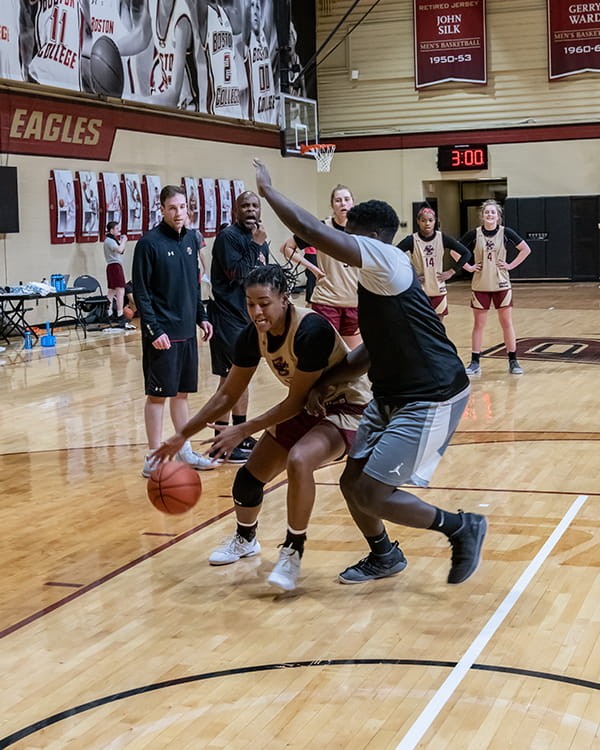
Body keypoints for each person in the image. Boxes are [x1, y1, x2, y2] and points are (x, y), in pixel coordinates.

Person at [253, 158, 487, 587]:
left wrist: (269, 193)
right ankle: (384, 555)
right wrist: (327, 382)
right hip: (392, 393)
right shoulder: (375, 279)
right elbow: (372, 351)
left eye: (349, 237)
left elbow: (314, 231)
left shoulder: (385, 260)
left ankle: (460, 527)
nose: (343, 244)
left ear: (370, 236)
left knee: (375, 492)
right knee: (354, 482)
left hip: (432, 394)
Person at [152, 264, 371, 592]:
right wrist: (182, 434)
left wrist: (243, 429)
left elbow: (295, 402)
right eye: (250, 303)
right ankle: (245, 539)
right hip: (307, 403)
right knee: (247, 480)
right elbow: (228, 393)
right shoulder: (251, 334)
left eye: (264, 303)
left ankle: (292, 551)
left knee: (299, 460)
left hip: (347, 405)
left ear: (284, 298)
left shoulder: (311, 330)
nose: (256, 311)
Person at [132, 185, 218, 478]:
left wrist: (202, 317)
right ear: (162, 210)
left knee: (181, 395)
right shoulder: (148, 244)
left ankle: (184, 449)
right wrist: (153, 330)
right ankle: (154, 456)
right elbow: (141, 293)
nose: (179, 213)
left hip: (186, 332)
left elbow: (193, 286)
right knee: (158, 396)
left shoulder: (192, 240)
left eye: (183, 207)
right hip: (162, 334)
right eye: (173, 208)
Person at [207, 190, 269, 463]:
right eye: (245, 206)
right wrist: (256, 247)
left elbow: (261, 275)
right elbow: (238, 274)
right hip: (226, 315)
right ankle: (222, 441)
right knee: (232, 379)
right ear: (235, 210)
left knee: (239, 378)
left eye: (255, 205)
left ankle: (237, 434)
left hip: (247, 318)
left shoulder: (259, 237)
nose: (251, 210)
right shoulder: (227, 238)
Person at [281, 185, 361, 349]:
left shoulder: (362, 230)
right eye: (338, 200)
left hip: (355, 303)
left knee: (352, 359)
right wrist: (313, 269)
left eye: (346, 199)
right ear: (332, 205)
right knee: (327, 354)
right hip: (327, 301)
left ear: (353, 203)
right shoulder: (321, 228)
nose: (343, 204)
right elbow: (286, 249)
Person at [460, 199, 532, 376]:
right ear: (482, 215)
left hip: (502, 284)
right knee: (479, 324)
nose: (489, 215)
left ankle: (513, 361)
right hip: (480, 285)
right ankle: (475, 362)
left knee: (506, 323)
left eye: (493, 212)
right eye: (487, 212)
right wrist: (468, 267)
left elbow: (525, 249)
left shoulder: (505, 232)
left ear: (498, 216)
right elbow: (455, 251)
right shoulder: (474, 234)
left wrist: (510, 265)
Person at [397, 205, 475, 321]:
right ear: (418, 222)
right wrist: (410, 275)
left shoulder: (442, 238)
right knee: (422, 325)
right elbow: (393, 256)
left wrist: (451, 271)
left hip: (438, 289)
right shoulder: (411, 240)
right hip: (420, 290)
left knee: (438, 325)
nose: (427, 223)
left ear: (435, 222)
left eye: (430, 220)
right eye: (423, 220)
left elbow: (466, 253)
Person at [103, 221, 128, 327]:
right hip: (114, 266)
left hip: (113, 266)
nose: (118, 231)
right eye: (117, 229)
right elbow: (120, 249)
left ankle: (108, 312)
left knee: (112, 291)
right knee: (120, 290)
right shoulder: (109, 241)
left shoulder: (111, 240)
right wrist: (124, 240)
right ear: (111, 230)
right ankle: (119, 314)